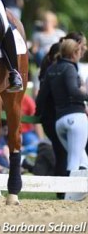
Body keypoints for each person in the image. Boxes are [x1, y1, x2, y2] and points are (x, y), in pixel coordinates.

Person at [36, 38, 88, 174]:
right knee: (75, 161)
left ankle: (74, 193)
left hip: (60, 122)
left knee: (79, 158)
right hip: (76, 117)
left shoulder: (51, 69)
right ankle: (69, 194)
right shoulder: (70, 68)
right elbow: (73, 91)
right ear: (74, 53)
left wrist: (37, 113)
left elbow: (42, 96)